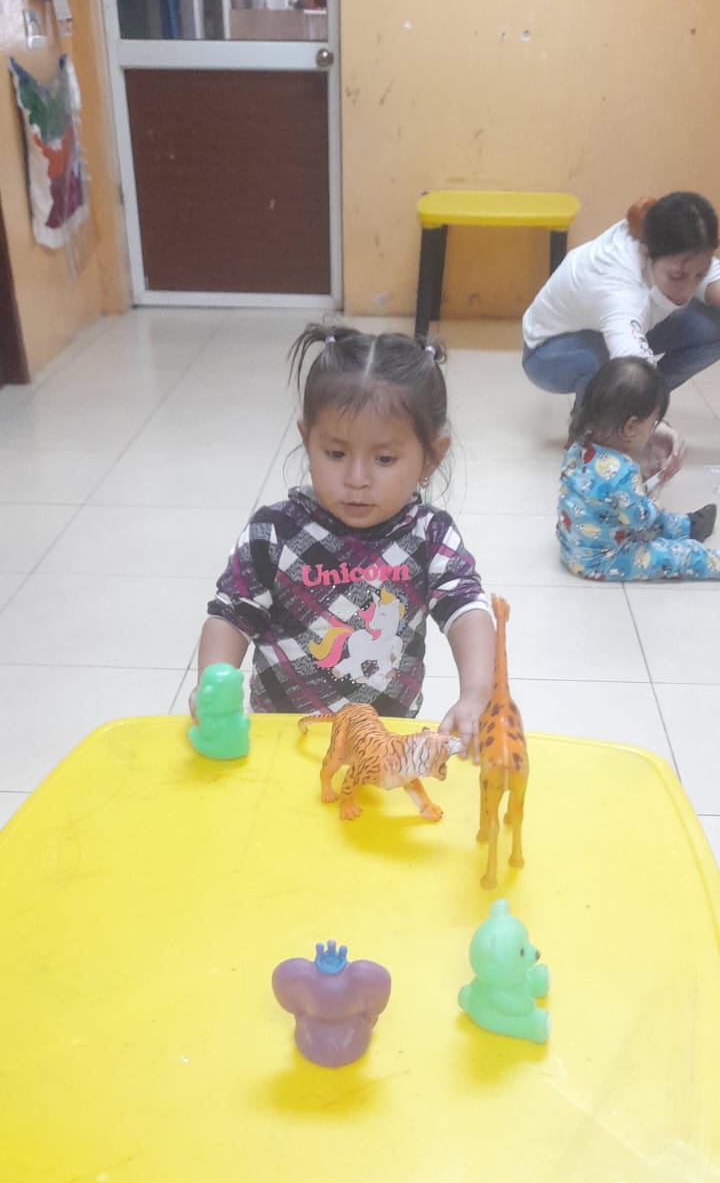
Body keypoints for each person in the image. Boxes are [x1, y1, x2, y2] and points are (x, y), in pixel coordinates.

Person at [192, 324, 495, 759]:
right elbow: (230, 616)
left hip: (383, 743)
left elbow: (466, 608)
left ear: (432, 456)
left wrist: (476, 694)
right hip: (281, 738)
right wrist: (212, 687)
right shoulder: (273, 533)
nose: (356, 479)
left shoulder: (429, 535)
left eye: (384, 459)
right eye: (335, 454)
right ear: (307, 440)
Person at [523, 192, 720, 483]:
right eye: (678, 277)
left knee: (714, 327)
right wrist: (655, 426)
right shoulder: (617, 285)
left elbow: (710, 274)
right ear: (646, 252)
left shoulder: (661, 239)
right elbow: (631, 361)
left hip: (620, 328)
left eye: (698, 276)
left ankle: (635, 413)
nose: (688, 289)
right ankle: (593, 428)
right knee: (610, 365)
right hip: (548, 352)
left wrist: (650, 414)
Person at [556, 357, 720, 581]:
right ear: (630, 426)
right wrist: (656, 490)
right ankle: (711, 560)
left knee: (657, 517)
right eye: (652, 424)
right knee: (681, 554)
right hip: (606, 559)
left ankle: (685, 526)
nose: (652, 432)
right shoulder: (623, 471)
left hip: (573, 548)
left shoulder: (578, 446)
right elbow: (641, 522)